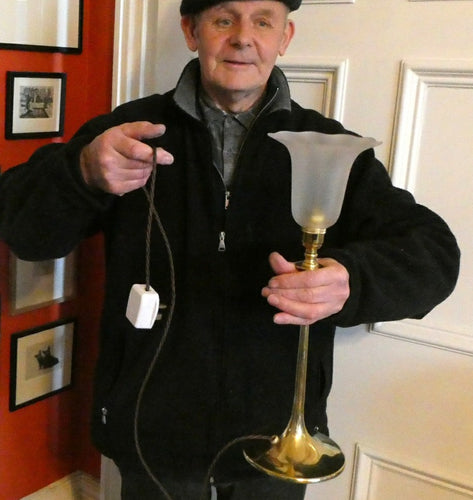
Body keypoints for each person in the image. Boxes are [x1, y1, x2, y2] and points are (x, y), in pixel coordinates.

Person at [0, 1, 460, 499]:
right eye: (224, 19)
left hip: (278, 439)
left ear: (284, 37)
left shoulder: (332, 147)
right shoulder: (126, 133)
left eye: (263, 21)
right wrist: (81, 173)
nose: (243, 37)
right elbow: (25, 232)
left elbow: (433, 253)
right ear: (190, 31)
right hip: (150, 432)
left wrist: (351, 280)